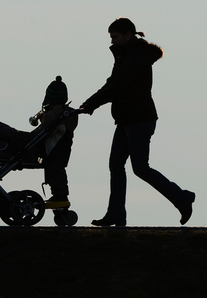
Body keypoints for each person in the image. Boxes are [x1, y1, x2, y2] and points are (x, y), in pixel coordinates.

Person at [79, 18, 195, 226]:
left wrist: (92, 104)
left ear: (128, 34)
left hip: (139, 119)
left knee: (140, 167)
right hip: (126, 119)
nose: (112, 41)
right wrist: (89, 103)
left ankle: (182, 197)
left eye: (115, 37)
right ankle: (116, 214)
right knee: (116, 165)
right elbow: (112, 82)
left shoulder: (136, 56)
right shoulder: (126, 55)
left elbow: (119, 85)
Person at [29, 75, 77, 208]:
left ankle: (60, 196)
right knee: (58, 171)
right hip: (63, 149)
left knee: (54, 171)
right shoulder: (67, 114)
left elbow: (41, 131)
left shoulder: (53, 114)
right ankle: (59, 195)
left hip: (53, 150)